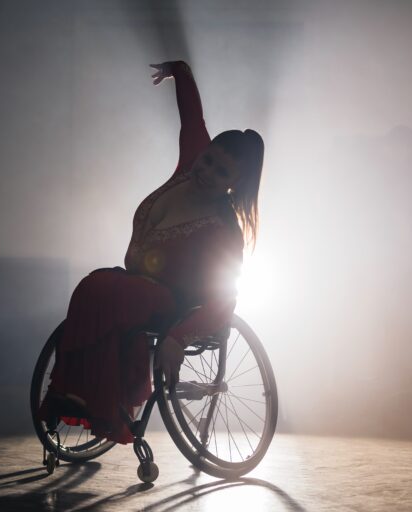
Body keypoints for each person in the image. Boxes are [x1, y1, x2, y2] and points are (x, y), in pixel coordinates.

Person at [37, 60, 264, 444]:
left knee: (114, 293)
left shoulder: (224, 229)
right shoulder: (191, 164)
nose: (206, 171)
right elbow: (192, 118)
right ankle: (70, 391)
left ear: (233, 184)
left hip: (175, 303)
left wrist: (177, 337)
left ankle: (101, 401)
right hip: (137, 284)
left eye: (220, 172)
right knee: (92, 286)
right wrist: (180, 72)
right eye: (208, 159)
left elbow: (226, 298)